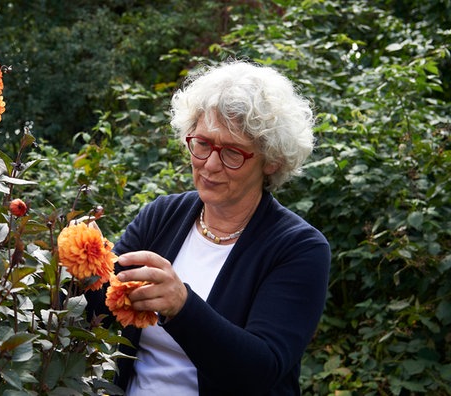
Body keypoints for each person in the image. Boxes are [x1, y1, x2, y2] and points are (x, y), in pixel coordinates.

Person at [94, 60, 330, 395]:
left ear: (272, 160)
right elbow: (102, 308)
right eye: (202, 143)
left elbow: (261, 370)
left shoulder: (299, 248)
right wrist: (80, 268)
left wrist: (182, 307)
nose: (210, 164)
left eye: (233, 152)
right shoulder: (163, 215)